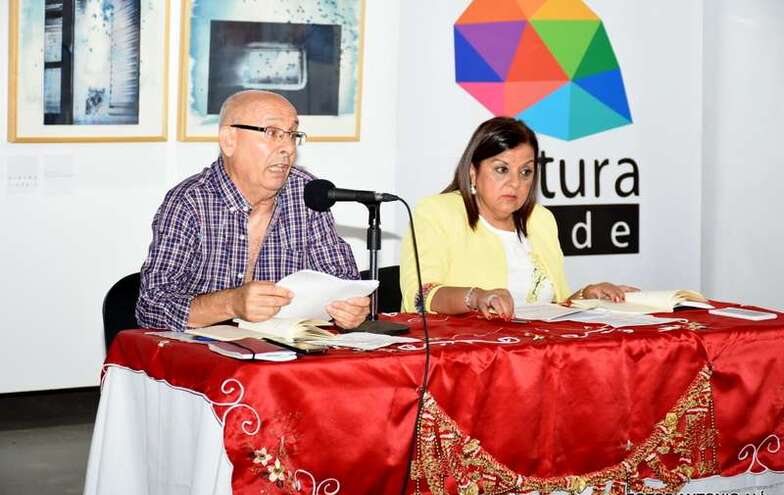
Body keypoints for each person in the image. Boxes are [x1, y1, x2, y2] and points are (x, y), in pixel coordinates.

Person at [136, 90, 370, 331]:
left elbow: (343, 283)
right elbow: (151, 306)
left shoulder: (306, 193)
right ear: (229, 140)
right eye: (272, 133)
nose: (288, 148)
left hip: (285, 347)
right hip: (203, 350)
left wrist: (351, 308)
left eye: (292, 135)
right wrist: (231, 303)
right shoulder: (190, 202)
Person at [400, 117, 636, 319]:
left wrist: (586, 296)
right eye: (502, 169)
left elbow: (555, 307)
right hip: (464, 352)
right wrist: (476, 297)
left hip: (535, 349)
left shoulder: (540, 220)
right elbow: (418, 297)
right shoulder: (437, 213)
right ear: (473, 172)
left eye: (525, 172)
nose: (515, 183)